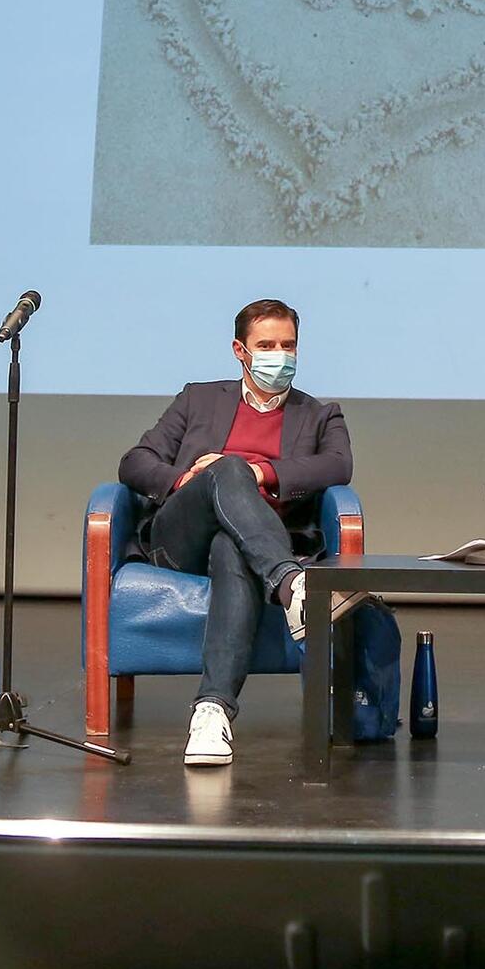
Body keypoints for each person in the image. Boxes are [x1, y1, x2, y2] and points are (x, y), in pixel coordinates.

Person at [118, 299, 353, 767]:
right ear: (239, 350)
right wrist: (192, 480)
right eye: (266, 345)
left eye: (288, 346)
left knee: (232, 546)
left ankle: (212, 712)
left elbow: (337, 464)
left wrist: (260, 472)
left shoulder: (319, 414)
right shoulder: (198, 399)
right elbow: (135, 462)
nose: (279, 356)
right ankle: (293, 585)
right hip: (182, 536)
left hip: (252, 545)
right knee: (225, 470)